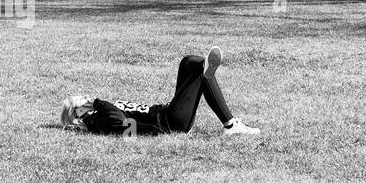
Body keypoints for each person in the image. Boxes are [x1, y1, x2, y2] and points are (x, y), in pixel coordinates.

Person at [60, 47, 260, 136]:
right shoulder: (97, 122)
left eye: (84, 97)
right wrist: (97, 102)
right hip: (170, 123)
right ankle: (230, 124)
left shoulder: (98, 113)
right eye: (80, 102)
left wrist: (97, 104)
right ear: (77, 115)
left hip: (168, 112)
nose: (86, 98)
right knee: (200, 73)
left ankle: (208, 69)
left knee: (188, 61)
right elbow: (121, 123)